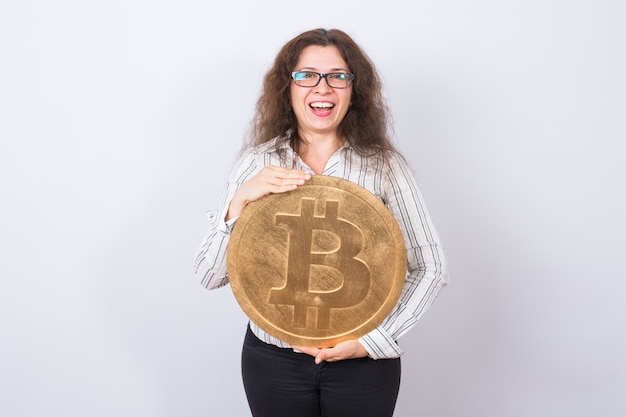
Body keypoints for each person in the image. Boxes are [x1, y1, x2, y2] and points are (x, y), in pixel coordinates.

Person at [194, 28, 448, 417]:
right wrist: (239, 202)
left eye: (337, 76)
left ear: (353, 89)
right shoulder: (255, 164)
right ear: (287, 87)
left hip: (362, 362)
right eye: (307, 75)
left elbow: (430, 267)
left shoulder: (384, 166)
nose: (322, 88)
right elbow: (210, 275)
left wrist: (373, 342)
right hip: (272, 362)